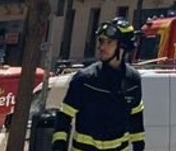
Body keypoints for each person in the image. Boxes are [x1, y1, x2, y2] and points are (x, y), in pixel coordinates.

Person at [52, 18, 145, 151]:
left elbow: (136, 122)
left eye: (109, 42)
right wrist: (59, 146)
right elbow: (64, 117)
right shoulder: (85, 79)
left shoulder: (133, 80)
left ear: (123, 46)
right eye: (101, 41)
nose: (102, 47)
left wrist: (139, 147)